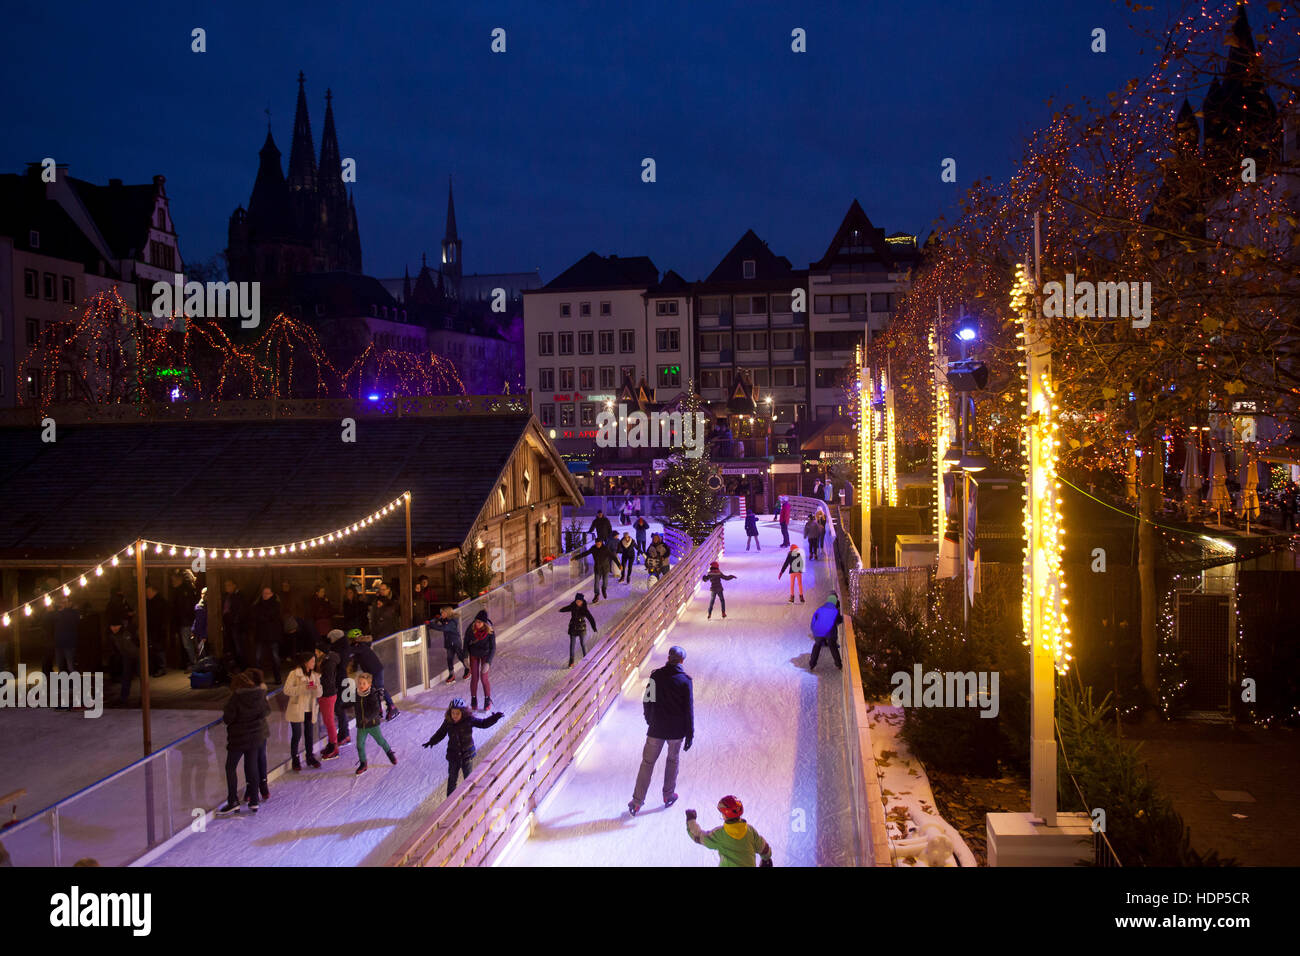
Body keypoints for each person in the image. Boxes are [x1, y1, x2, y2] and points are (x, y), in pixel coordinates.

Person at [628, 645, 693, 816]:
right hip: (676, 731)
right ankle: (668, 795)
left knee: (647, 763)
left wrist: (650, 719)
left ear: (668, 658)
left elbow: (647, 700)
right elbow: (688, 709)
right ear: (681, 661)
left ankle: (636, 802)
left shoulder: (656, 676)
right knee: (672, 761)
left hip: (656, 728)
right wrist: (689, 733)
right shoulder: (685, 681)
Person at [422, 698, 504, 796]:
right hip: (453, 756)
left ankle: (471, 799)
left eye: (457, 713)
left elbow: (483, 723)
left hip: (467, 756)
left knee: (469, 780)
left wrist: (494, 718)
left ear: (463, 712)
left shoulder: (469, 720)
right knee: (452, 780)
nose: (455, 716)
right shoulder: (448, 722)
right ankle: (449, 804)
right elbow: (441, 733)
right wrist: (432, 741)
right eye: (453, 713)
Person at [217, 670, 270, 815]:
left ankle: (233, 800)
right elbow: (266, 711)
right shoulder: (260, 695)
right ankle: (254, 800)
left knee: (230, 767)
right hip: (255, 738)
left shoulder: (235, 698)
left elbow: (228, 718)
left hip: (239, 738)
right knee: (251, 766)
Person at [685, 796, 773, 867]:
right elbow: (763, 847)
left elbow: (698, 836)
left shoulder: (719, 834)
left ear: (725, 816)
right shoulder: (750, 831)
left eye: (722, 814)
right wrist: (767, 859)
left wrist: (691, 820)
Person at [283, 652, 323, 770]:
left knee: (309, 734)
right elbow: (287, 690)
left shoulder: (315, 675)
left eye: (314, 661)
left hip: (310, 709)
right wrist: (303, 688)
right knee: (296, 735)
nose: (314, 663)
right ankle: (295, 759)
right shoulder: (294, 674)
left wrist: (315, 689)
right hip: (297, 709)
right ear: (305, 662)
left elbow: (320, 692)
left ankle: (310, 756)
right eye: (312, 661)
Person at [353, 671, 397, 775]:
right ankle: (363, 763)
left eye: (364, 683)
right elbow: (352, 704)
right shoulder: (357, 694)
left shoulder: (372, 695)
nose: (361, 686)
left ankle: (390, 753)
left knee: (380, 741)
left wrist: (368, 718)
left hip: (372, 724)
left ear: (369, 684)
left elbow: (376, 710)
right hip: (361, 725)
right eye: (359, 683)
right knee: (359, 745)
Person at [349, 631, 398, 720]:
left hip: (376, 670)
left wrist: (342, 648)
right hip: (372, 671)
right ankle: (378, 710)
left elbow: (351, 651)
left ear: (353, 640)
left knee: (380, 689)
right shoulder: (360, 647)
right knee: (374, 690)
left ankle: (392, 707)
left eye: (349, 640)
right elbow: (355, 657)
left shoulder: (361, 646)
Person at [249, 586, 284, 683]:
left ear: (272, 594)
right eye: (264, 593)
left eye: (267, 593)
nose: (265, 595)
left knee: (275, 657)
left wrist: (263, 617)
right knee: (257, 657)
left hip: (272, 635)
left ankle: (278, 678)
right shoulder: (258, 604)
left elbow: (271, 616)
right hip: (260, 634)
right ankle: (258, 679)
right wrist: (263, 617)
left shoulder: (276, 605)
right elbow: (255, 615)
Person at [315, 639, 343, 760]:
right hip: (325, 694)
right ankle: (331, 744)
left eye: (316, 651)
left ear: (321, 652)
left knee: (329, 721)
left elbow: (327, 680)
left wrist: (313, 683)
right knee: (328, 721)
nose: (315, 652)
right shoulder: (325, 661)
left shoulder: (328, 664)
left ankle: (334, 746)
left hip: (327, 694)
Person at [463, 610, 496, 710]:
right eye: (476, 621)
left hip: (485, 655)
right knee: (474, 678)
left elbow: (493, 648)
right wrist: (465, 657)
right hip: (474, 654)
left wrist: (488, 663)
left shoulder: (490, 631)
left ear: (484, 623)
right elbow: (465, 643)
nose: (477, 624)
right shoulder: (471, 629)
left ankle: (487, 699)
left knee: (484, 677)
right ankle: (474, 699)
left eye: (479, 622)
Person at [328, 628, 353, 746]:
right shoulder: (342, 648)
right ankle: (344, 734)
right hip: (341, 681)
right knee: (339, 707)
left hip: (340, 682)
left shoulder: (339, 651)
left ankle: (344, 734)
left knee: (339, 707)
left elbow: (338, 667)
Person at [558, 593, 598, 667]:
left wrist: (594, 627)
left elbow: (590, 618)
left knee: (583, 644)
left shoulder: (584, 609)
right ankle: (571, 661)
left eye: (580, 601)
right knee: (572, 645)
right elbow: (567, 608)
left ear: (582, 601)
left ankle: (586, 659)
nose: (578, 602)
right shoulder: (573, 606)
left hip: (581, 628)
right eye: (577, 601)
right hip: (573, 627)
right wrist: (561, 610)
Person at [431, 605, 468, 684]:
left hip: (455, 642)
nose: (442, 615)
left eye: (443, 613)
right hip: (448, 642)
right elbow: (440, 621)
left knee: (460, 656)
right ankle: (452, 674)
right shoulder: (445, 619)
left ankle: (468, 669)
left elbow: (442, 628)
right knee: (449, 659)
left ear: (447, 613)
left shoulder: (452, 621)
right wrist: (436, 619)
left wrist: (431, 624)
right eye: (441, 613)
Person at [170, 571, 198, 670]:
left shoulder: (182, 592)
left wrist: (184, 617)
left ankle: (195, 662)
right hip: (187, 620)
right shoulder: (187, 590)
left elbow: (184, 607)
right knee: (191, 643)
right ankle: (195, 661)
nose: (172, 582)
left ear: (179, 580)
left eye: (173, 580)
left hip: (186, 621)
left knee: (188, 643)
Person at [108, 615, 139, 706]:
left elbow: (138, 641)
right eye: (112, 626)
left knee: (142, 676)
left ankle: (144, 697)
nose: (114, 628)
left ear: (120, 626)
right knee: (126, 676)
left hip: (138, 656)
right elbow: (115, 648)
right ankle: (123, 697)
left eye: (116, 626)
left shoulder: (128, 632)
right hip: (126, 656)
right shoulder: (112, 636)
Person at [809, 593, 844, 670]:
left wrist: (814, 630)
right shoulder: (835, 611)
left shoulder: (820, 609)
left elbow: (813, 620)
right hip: (829, 633)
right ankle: (838, 664)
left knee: (817, 645)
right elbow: (839, 621)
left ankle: (812, 664)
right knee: (833, 646)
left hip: (818, 631)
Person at [221, 580, 249, 667]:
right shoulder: (226, 596)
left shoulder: (239, 596)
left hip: (237, 625)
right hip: (228, 624)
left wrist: (235, 621)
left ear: (234, 585)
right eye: (226, 585)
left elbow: (241, 610)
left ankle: (243, 666)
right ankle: (235, 666)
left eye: (229, 585)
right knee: (230, 646)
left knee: (239, 647)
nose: (227, 587)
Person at [143, 583, 169, 677]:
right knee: (154, 648)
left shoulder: (159, 602)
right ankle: (155, 668)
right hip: (152, 628)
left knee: (159, 648)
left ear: (154, 591)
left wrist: (162, 626)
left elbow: (161, 616)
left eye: (148, 592)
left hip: (157, 629)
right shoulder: (150, 602)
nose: (147, 594)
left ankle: (161, 667)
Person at [51, 594, 80, 676]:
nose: (63, 603)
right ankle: (63, 684)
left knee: (71, 666)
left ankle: (75, 684)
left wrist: (62, 610)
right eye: (62, 602)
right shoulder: (58, 613)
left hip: (69, 643)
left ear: (70, 603)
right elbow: (51, 619)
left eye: (65, 602)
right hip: (59, 643)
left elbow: (72, 620)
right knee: (60, 666)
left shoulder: (73, 613)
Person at [192, 587, 209, 659]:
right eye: (202, 593)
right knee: (199, 651)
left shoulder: (208, 607)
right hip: (198, 633)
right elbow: (197, 620)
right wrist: (193, 630)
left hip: (203, 633)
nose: (203, 595)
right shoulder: (199, 606)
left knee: (203, 651)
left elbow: (206, 622)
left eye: (205, 594)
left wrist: (204, 635)